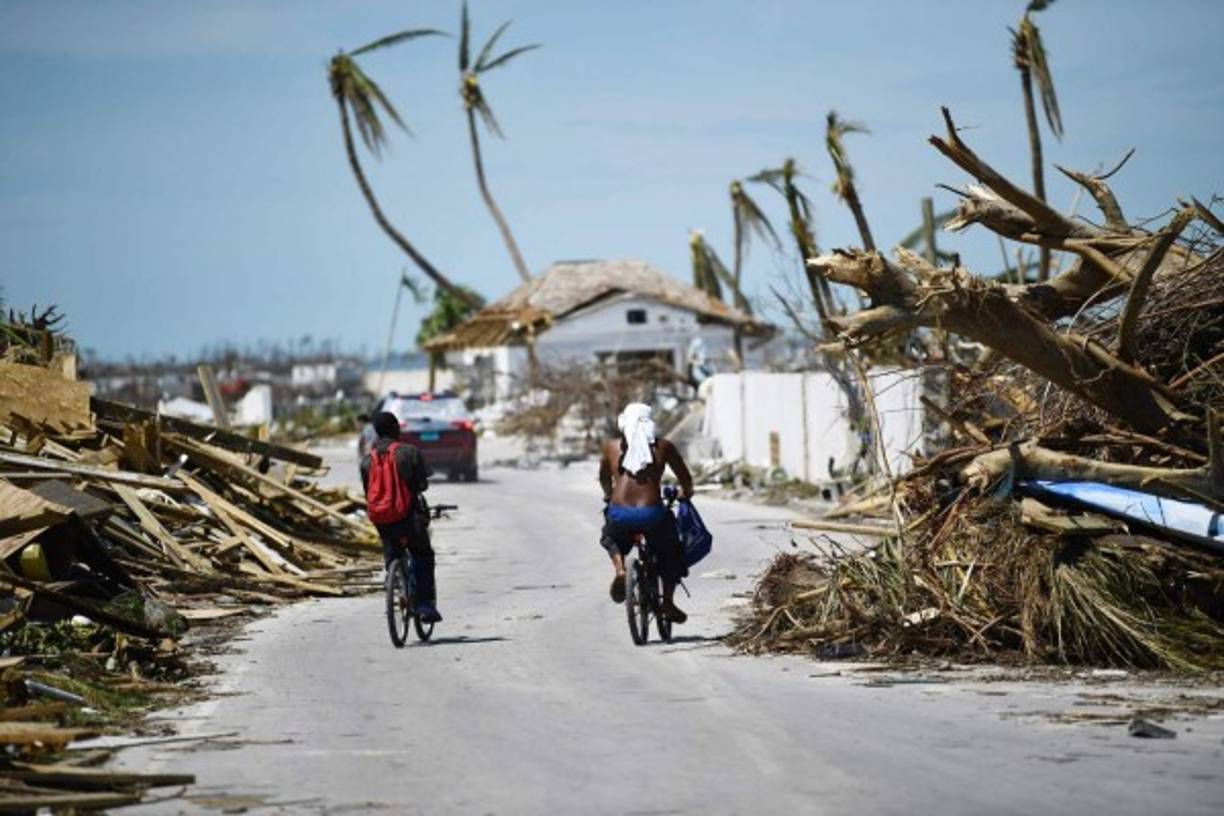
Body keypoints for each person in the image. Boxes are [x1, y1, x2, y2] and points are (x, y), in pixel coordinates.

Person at [598, 403, 694, 623]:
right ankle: (667, 603)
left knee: (611, 535)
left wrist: (608, 494)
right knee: (670, 550)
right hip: (651, 514)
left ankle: (621, 570)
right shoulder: (663, 447)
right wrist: (686, 493)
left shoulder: (611, 447)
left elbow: (604, 478)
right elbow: (685, 478)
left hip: (619, 513)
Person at [360, 411, 442, 623]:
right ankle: (424, 605)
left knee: (392, 553)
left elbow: (368, 493)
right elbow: (423, 484)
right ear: (396, 428)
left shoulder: (367, 461)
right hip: (409, 518)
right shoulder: (409, 452)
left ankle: (394, 581)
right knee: (423, 555)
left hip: (383, 521)